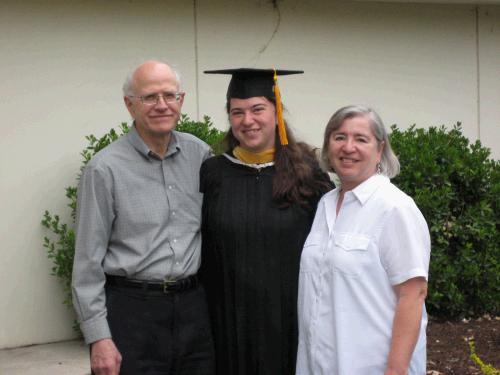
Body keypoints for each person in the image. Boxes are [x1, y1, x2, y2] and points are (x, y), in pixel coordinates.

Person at [72, 60, 214, 375]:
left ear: (182, 101)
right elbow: (87, 262)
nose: (161, 105)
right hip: (132, 313)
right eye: (149, 97)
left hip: (194, 311)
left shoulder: (200, 156)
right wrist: (99, 338)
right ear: (129, 105)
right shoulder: (104, 169)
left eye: (169, 95)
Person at [201, 68, 333, 375]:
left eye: (258, 109)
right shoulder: (213, 173)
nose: (248, 121)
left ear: (277, 112)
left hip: (289, 317)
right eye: (237, 112)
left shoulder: (308, 174)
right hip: (228, 319)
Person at [296, 105, 431, 375]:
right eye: (339, 137)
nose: (348, 147)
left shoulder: (395, 208)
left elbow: (412, 295)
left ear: (380, 149)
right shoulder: (325, 204)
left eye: (361, 139)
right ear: (328, 146)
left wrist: (395, 369)